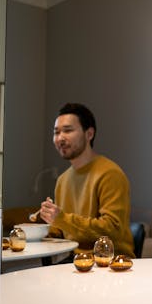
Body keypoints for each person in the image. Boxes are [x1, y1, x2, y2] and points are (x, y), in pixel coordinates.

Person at [39, 103, 135, 258]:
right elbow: (63, 230)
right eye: (56, 132)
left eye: (68, 130)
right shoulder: (62, 180)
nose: (60, 138)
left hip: (109, 264)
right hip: (76, 261)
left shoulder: (110, 173)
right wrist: (49, 226)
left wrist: (62, 219)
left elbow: (112, 230)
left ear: (89, 134)